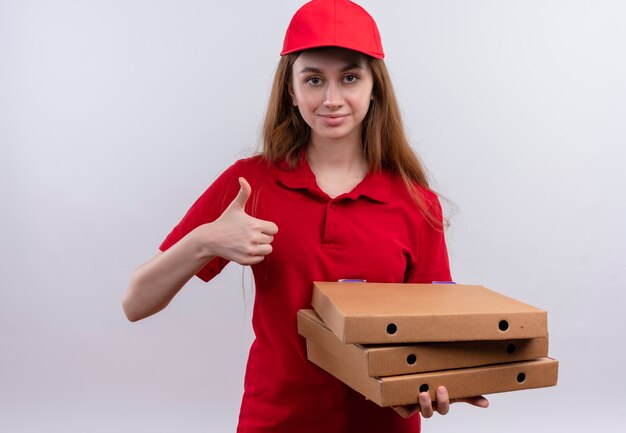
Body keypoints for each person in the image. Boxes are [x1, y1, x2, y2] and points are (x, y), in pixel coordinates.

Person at [123, 0, 488, 431]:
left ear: (375, 88)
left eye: (350, 77)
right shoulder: (249, 185)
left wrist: (435, 384)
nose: (332, 99)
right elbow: (136, 303)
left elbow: (431, 339)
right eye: (314, 79)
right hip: (273, 423)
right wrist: (205, 241)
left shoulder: (417, 202)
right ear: (291, 92)